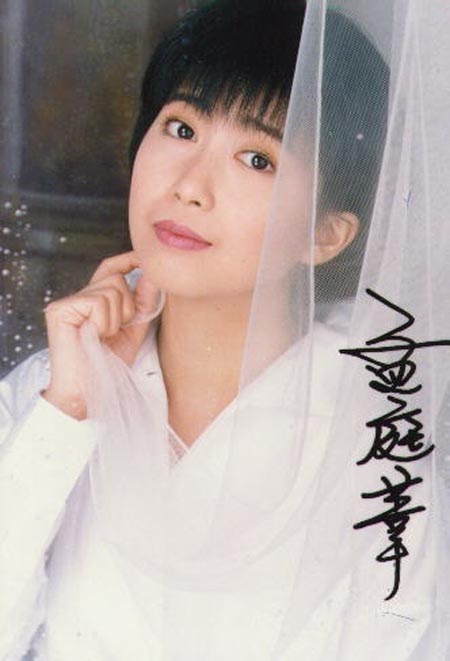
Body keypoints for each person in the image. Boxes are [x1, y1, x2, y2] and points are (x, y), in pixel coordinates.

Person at [0, 1, 439, 659]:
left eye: (257, 158)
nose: (190, 187)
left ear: (325, 235)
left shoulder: (377, 437)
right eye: (181, 127)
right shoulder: (52, 389)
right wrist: (66, 414)